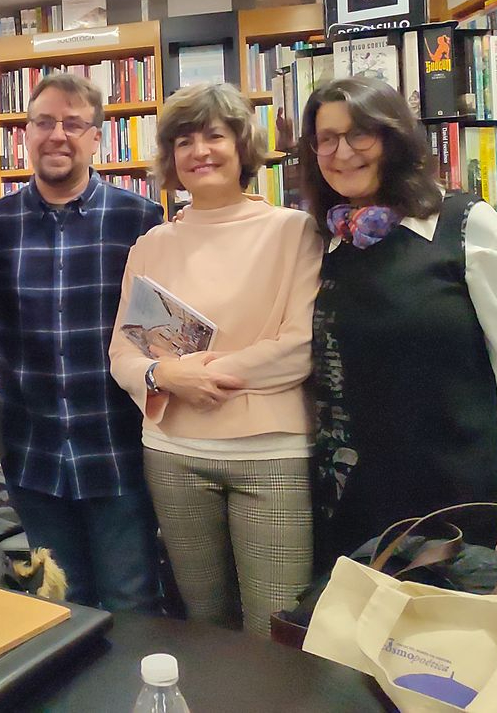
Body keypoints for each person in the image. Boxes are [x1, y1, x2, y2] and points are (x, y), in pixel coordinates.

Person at [298, 76, 497, 571]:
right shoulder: (326, 244)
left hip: (462, 502)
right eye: (327, 138)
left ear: (393, 137)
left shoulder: (463, 225)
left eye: (360, 133)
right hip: (355, 507)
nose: (343, 152)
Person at [109, 83, 322, 636]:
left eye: (214, 135)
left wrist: (195, 378)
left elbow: (298, 347)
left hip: (270, 455)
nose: (199, 150)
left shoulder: (294, 231)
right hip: (171, 453)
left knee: (276, 628)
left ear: (242, 146)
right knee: (201, 624)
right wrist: (162, 375)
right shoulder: (152, 244)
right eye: (184, 140)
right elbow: (123, 354)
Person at [0, 72, 163, 611]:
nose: (56, 134)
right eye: (43, 121)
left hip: (118, 449)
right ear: (25, 133)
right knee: (58, 605)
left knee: (130, 600)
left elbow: (158, 335)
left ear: (96, 136)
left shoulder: (141, 219)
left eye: (73, 123)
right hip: (32, 454)